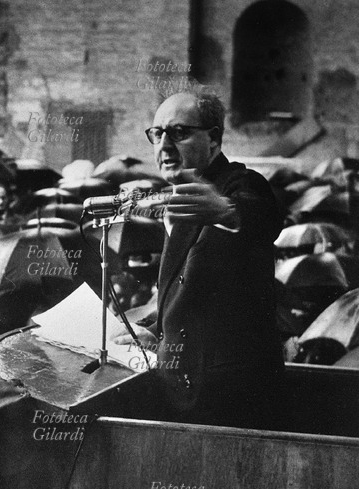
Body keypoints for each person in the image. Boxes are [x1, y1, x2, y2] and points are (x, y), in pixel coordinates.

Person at [115, 87, 285, 429]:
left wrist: (225, 210)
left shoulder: (240, 184)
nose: (164, 145)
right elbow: (193, 299)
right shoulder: (180, 198)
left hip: (232, 401)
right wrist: (157, 334)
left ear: (214, 139)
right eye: (157, 133)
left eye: (179, 132)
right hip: (185, 393)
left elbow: (263, 215)